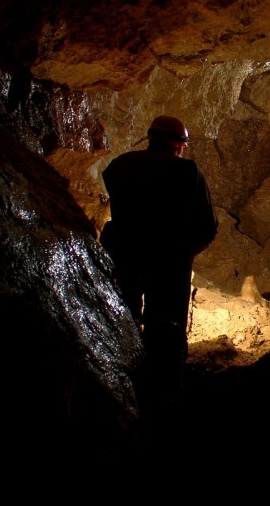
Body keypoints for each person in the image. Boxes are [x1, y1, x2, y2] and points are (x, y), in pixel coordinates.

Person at [100, 114, 218, 430]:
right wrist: (185, 252)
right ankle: (164, 401)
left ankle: (119, 382)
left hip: (124, 253)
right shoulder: (186, 171)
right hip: (168, 259)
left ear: (150, 137)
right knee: (165, 327)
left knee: (124, 314)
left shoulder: (118, 166)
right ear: (180, 145)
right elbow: (208, 225)